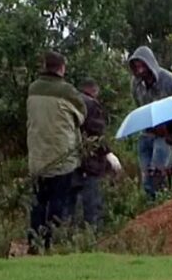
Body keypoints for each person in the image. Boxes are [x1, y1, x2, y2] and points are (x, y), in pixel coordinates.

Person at [26, 51, 86, 253]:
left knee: (38, 204)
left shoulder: (33, 89)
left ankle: (34, 245)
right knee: (58, 204)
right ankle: (52, 245)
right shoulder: (67, 91)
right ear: (62, 68)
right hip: (61, 158)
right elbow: (82, 115)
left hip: (36, 159)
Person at [128, 46, 172, 199]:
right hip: (147, 133)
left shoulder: (170, 81)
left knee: (158, 175)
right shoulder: (135, 84)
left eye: (142, 65)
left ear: (150, 63)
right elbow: (138, 106)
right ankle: (151, 206)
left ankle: (164, 203)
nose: (140, 70)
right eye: (136, 66)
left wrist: (169, 128)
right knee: (147, 177)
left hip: (166, 135)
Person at [68, 78, 121, 229]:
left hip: (68, 160)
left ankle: (66, 238)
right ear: (94, 91)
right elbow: (97, 134)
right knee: (92, 205)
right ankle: (92, 236)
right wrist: (109, 154)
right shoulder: (91, 105)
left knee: (69, 205)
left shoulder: (69, 103)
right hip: (90, 163)